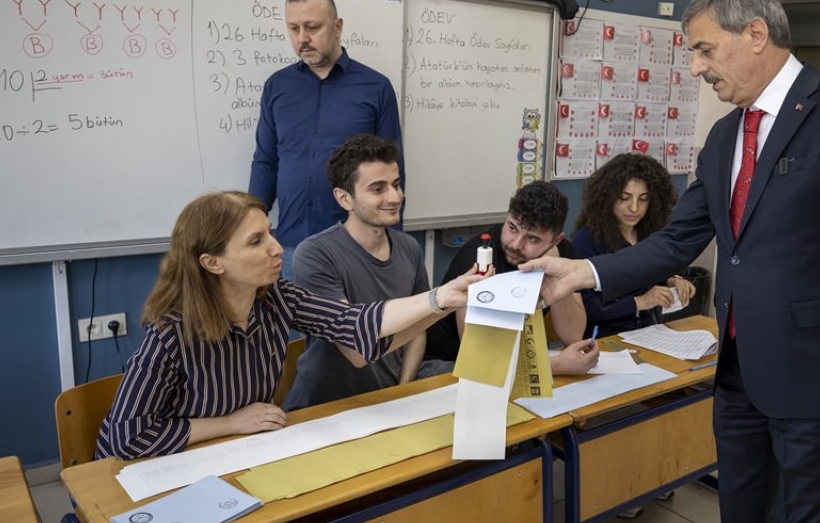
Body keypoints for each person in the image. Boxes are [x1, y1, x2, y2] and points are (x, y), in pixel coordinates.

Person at [522, 0, 820, 523]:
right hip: (735, 380)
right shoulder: (725, 136)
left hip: (813, 385)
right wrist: (582, 274)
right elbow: (679, 239)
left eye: (704, 49)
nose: (697, 68)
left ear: (756, 33)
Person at [96, 191, 479, 460]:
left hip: (240, 450)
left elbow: (354, 324)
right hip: (162, 465)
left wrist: (441, 299)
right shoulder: (170, 332)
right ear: (213, 263)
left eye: (271, 233)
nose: (277, 248)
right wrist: (230, 423)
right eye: (256, 241)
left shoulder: (276, 296)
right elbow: (127, 437)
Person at [283, 135, 450, 411]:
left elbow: (418, 329)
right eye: (378, 189)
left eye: (396, 184)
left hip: (387, 401)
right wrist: (440, 302)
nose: (395, 197)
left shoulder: (409, 247)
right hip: (324, 410)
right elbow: (358, 352)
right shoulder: (315, 254)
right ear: (344, 198)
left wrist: (403, 389)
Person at [249, 0, 402, 278]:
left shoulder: (376, 88)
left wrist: (390, 249)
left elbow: (393, 173)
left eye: (312, 27)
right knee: (292, 325)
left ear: (337, 26)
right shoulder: (277, 87)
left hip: (357, 249)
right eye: (293, 29)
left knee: (360, 325)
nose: (302, 39)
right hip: (291, 247)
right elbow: (266, 161)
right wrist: (251, 227)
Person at [424, 181, 599, 375]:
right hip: (449, 365)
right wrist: (554, 366)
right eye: (512, 227)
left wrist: (558, 279)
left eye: (533, 239)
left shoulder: (563, 253)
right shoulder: (479, 257)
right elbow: (477, 356)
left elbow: (572, 336)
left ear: (555, 240)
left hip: (515, 359)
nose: (515, 244)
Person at [572, 153, 697, 338]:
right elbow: (589, 308)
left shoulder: (651, 233)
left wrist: (672, 279)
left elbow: (648, 272)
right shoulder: (587, 239)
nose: (634, 208)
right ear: (608, 198)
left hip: (645, 333)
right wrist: (642, 302)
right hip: (604, 338)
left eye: (643, 198)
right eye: (625, 197)